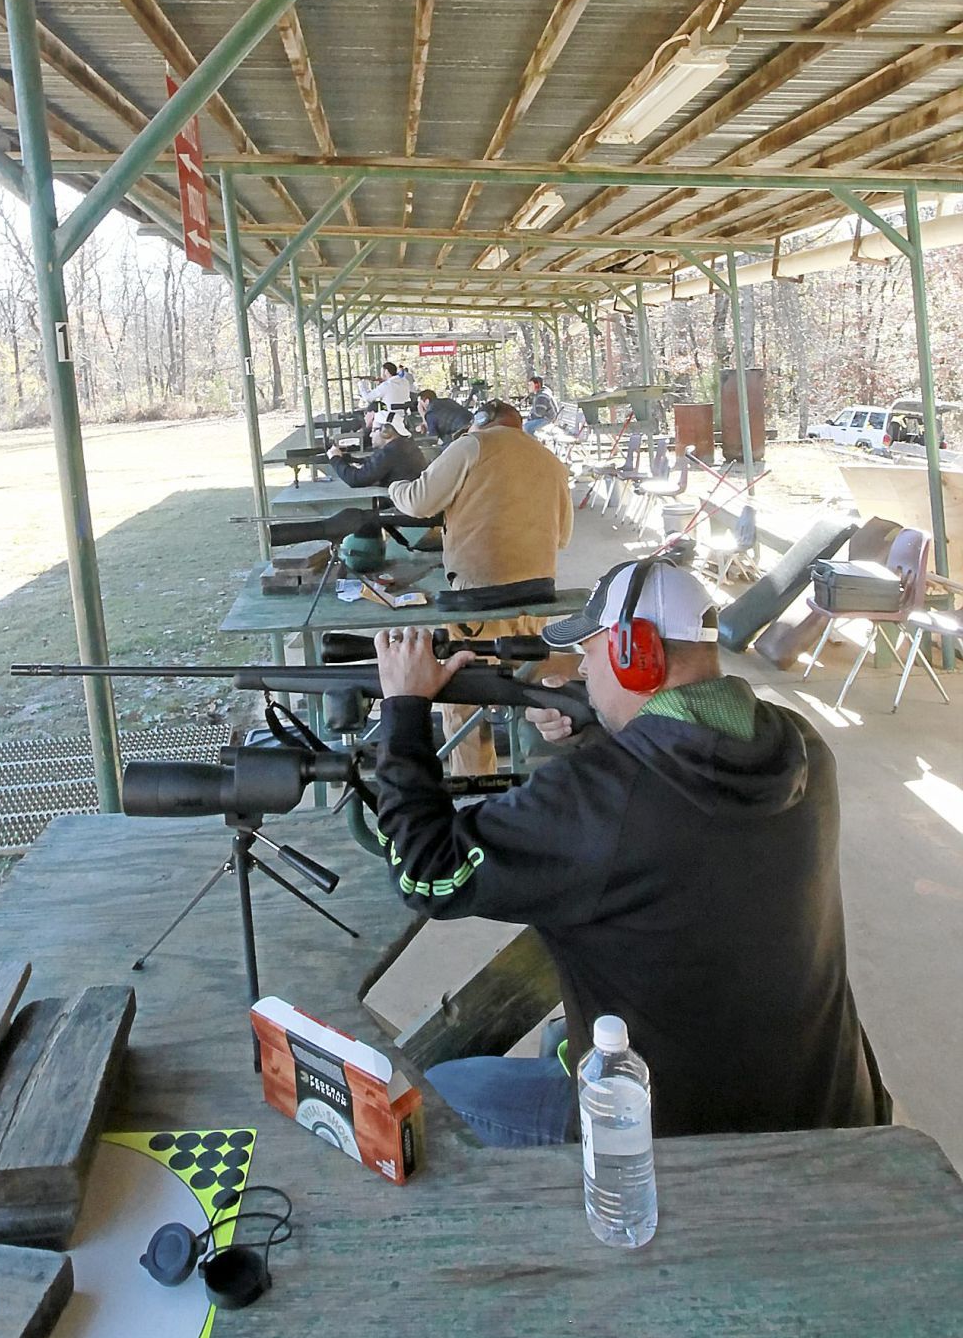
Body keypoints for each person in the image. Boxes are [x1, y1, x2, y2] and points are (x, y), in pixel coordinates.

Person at [371, 557, 892, 1146]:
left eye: (592, 652)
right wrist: (606, 735)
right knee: (561, 1037)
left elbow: (424, 873)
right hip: (831, 1103)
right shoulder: (801, 745)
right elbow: (679, 807)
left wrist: (403, 713)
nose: (583, 670)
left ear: (634, 653)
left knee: (441, 1088)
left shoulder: (596, 798)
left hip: (681, 1141)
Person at [386, 401, 573, 775]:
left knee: (465, 701)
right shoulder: (549, 460)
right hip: (535, 600)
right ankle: (533, 777)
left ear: (481, 423)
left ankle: (474, 788)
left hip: (478, 603)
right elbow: (563, 537)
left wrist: (393, 486)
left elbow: (419, 501)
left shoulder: (473, 445)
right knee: (529, 688)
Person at [327, 424, 427, 490]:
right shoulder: (403, 445)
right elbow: (373, 462)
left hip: (403, 507)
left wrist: (335, 459)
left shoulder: (390, 452)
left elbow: (355, 480)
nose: (370, 435)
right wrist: (347, 458)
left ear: (386, 432)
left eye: (374, 430)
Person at [360, 361, 415, 436]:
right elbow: (394, 387)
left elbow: (368, 398)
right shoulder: (405, 382)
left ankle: (373, 437)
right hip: (402, 414)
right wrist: (383, 382)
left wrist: (362, 384)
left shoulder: (386, 385)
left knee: (371, 413)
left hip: (387, 415)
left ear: (386, 371)